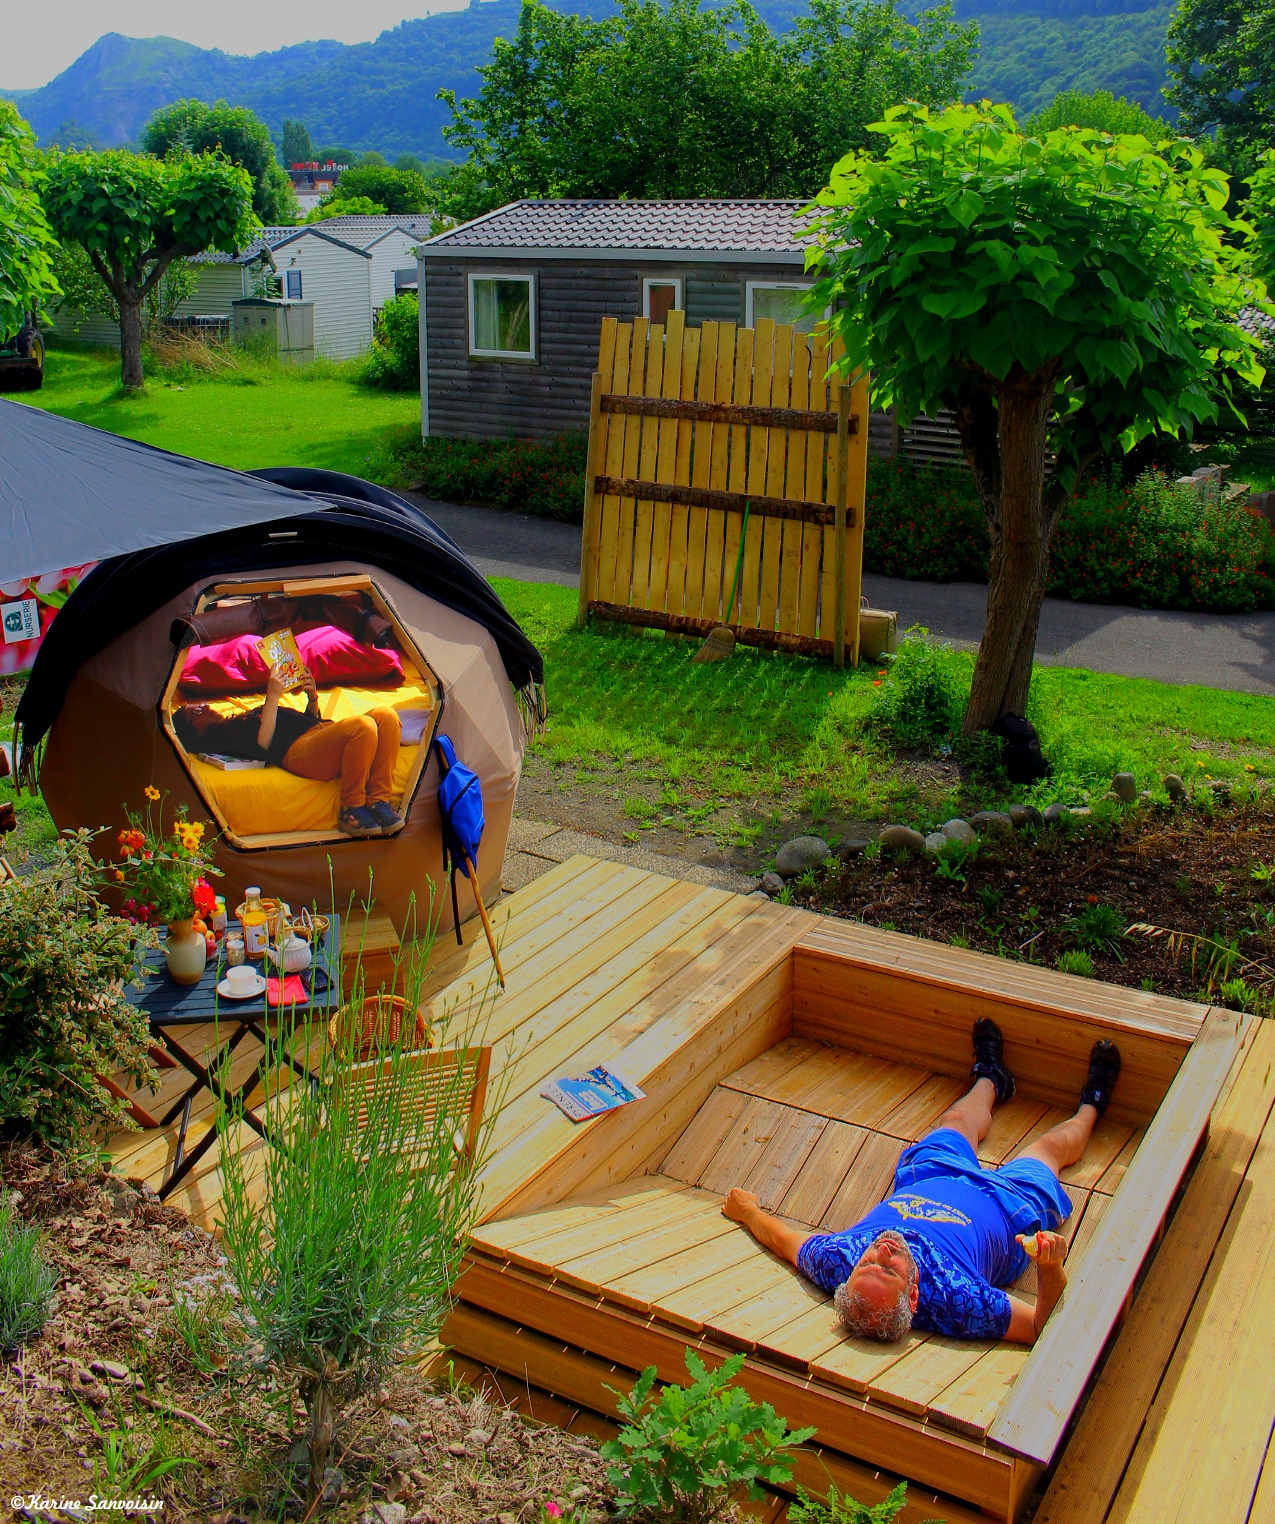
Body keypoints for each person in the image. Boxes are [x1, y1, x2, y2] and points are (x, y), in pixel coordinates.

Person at [722, 1019, 1122, 1345]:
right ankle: (1092, 1104)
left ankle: (991, 1078)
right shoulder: (959, 1302)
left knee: (957, 1121)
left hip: (931, 1176)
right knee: (1049, 1149)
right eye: (890, 1270)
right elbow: (1038, 1326)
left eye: (868, 1264)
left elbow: (783, 1240)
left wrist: (748, 1212)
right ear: (913, 1295)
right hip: (1008, 1207)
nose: (881, 1252)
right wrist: (1050, 1268)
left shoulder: (838, 1263)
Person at [173, 661, 404, 839]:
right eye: (197, 711)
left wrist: (312, 698)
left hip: (317, 733)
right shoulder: (223, 739)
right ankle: (351, 808)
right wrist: (272, 696)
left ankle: (378, 800)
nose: (205, 706)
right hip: (296, 751)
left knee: (387, 716)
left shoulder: (238, 719)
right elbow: (263, 746)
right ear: (195, 733)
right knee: (363, 726)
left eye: (201, 704)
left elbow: (306, 723)